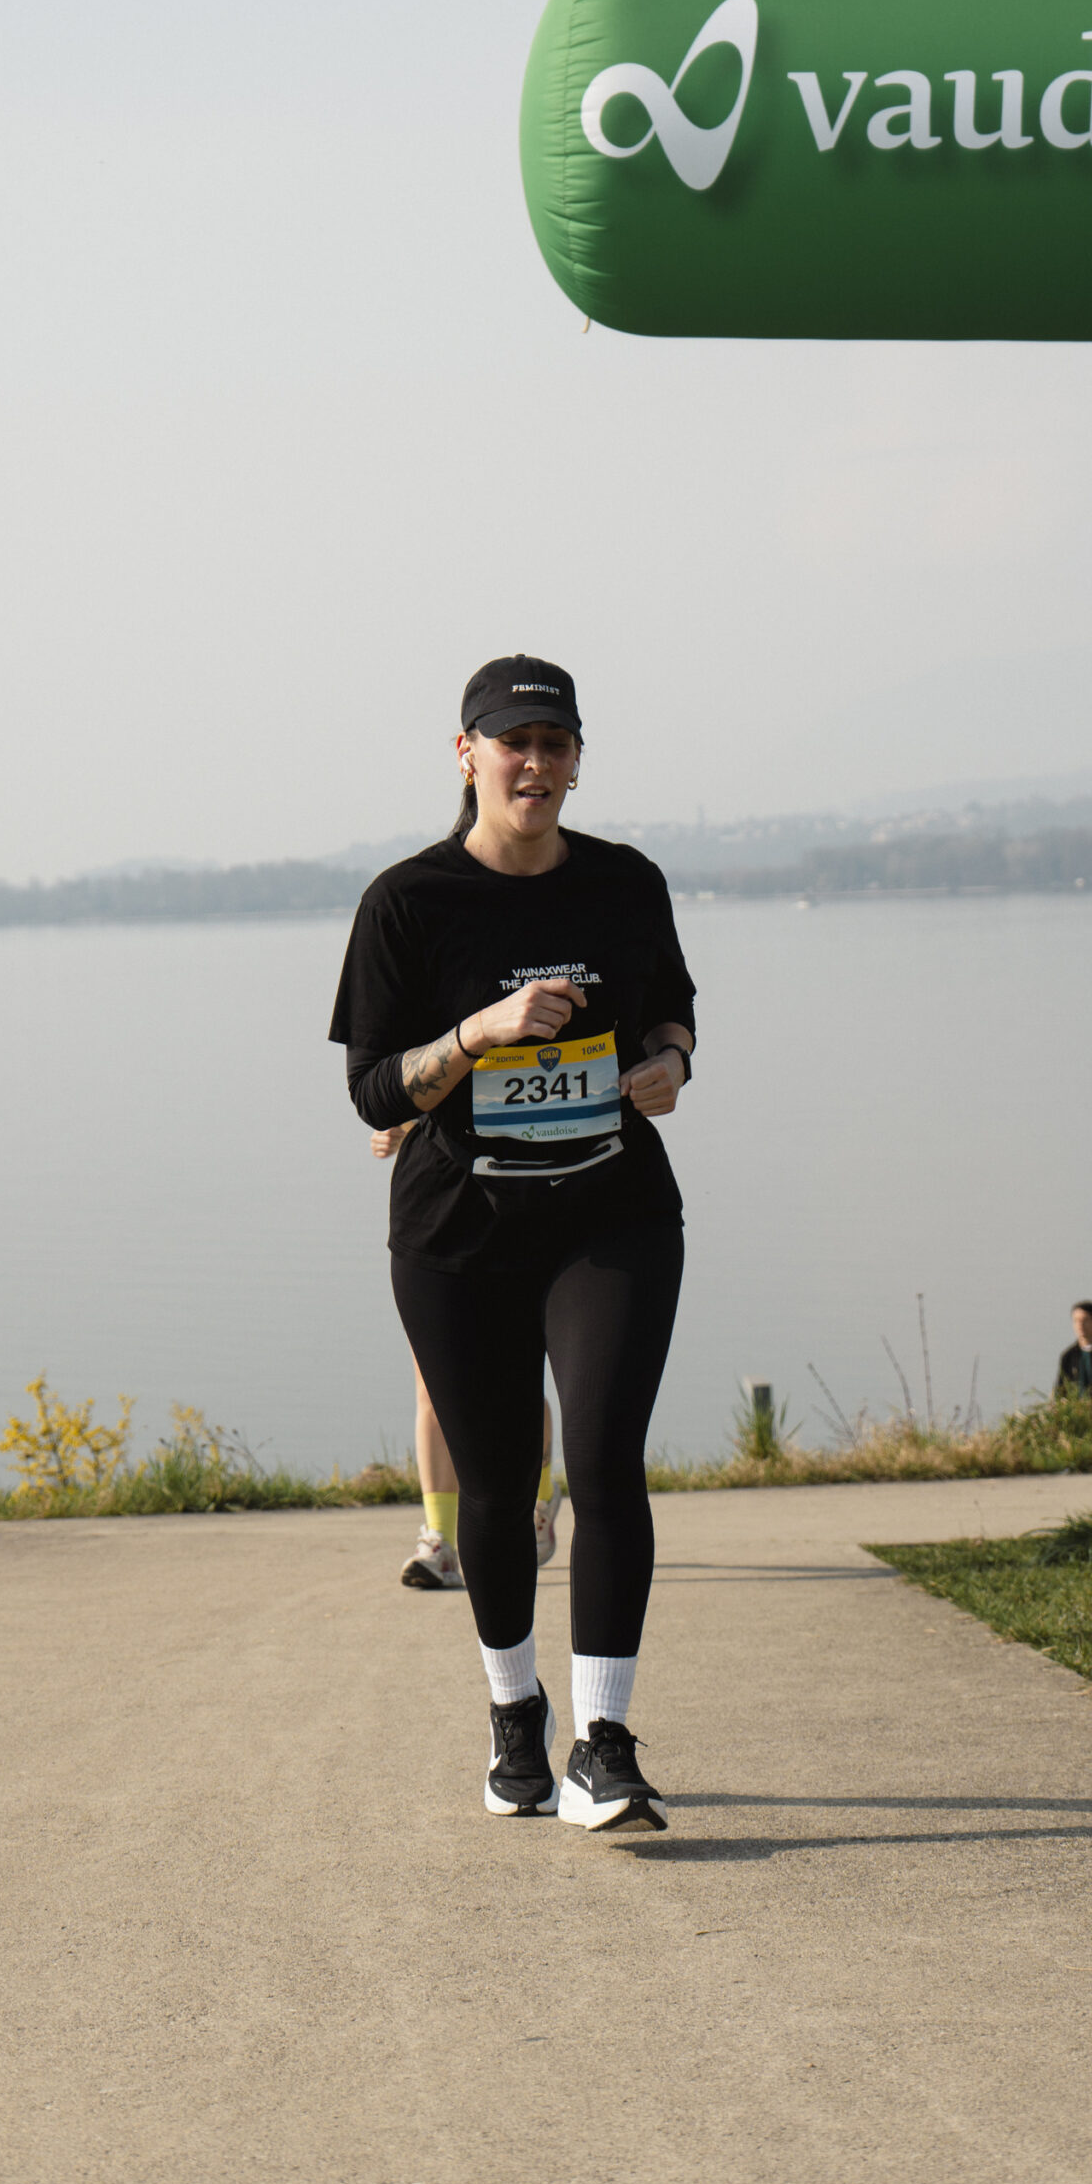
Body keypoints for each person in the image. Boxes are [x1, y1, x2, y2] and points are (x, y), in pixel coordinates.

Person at [330, 654, 695, 1831]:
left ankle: (605, 1743)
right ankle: (513, 1714)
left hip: (611, 1213)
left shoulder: (625, 882)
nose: (534, 763)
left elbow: (673, 1007)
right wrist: (478, 1032)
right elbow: (374, 1089)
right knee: (493, 1490)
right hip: (460, 1233)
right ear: (468, 754)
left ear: (578, 760)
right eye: (513, 742)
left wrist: (669, 1061)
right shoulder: (408, 902)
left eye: (555, 744)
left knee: (602, 1461)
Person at [373, 1123, 564, 1591]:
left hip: (523, 1212)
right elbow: (388, 1090)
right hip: (437, 1219)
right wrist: (401, 1124)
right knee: (434, 1392)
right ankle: (439, 1541)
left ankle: (540, 1499)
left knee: (515, 1385)